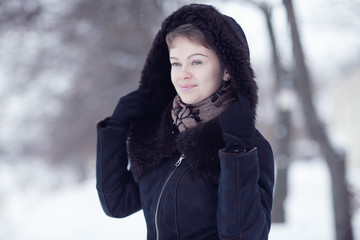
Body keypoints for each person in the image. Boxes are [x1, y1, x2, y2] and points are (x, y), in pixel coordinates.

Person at [96, 3, 274, 240]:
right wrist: (115, 129)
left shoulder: (249, 146)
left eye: (197, 62)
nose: (183, 74)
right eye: (176, 63)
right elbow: (117, 203)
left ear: (227, 70)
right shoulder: (163, 131)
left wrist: (237, 152)